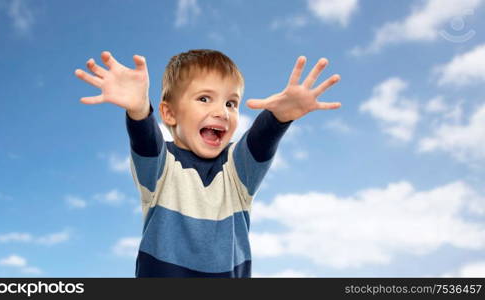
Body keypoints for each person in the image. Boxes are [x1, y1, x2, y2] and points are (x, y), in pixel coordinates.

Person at [74, 49, 341, 277]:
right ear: (169, 113)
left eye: (231, 103)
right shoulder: (160, 168)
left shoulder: (237, 173)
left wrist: (280, 116)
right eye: (204, 99)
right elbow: (145, 141)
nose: (221, 112)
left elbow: (261, 140)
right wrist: (139, 109)